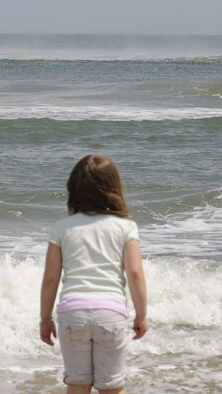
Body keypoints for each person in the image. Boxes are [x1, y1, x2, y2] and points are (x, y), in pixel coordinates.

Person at [39, 154, 148, 394]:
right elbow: (135, 273)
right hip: (111, 313)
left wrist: (45, 319)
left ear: (74, 189)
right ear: (113, 187)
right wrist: (141, 315)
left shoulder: (61, 227)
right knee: (111, 386)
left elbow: (50, 278)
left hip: (72, 313)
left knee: (77, 384)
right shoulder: (125, 227)